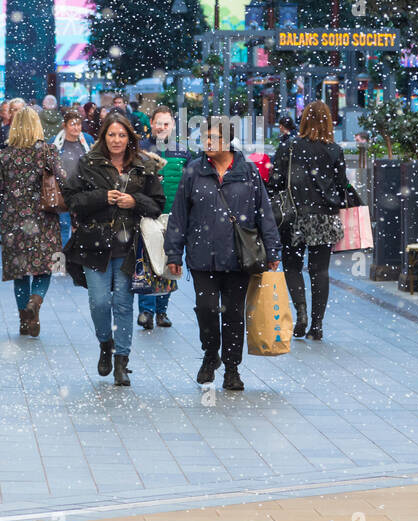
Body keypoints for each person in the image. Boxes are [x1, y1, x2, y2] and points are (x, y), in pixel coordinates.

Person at [165, 121, 282, 391]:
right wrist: (174, 252)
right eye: (205, 137)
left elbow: (263, 212)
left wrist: (272, 249)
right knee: (206, 309)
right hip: (202, 256)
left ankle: (232, 368)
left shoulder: (247, 171)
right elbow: (179, 215)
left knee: (233, 314)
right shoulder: (194, 170)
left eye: (214, 137)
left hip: (238, 257)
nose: (207, 142)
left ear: (228, 141)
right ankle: (210, 353)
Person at [64, 113, 165, 386]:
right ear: (103, 137)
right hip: (94, 245)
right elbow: (71, 199)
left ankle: (122, 360)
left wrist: (135, 201)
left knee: (123, 304)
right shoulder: (89, 164)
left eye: (122, 135)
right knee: (99, 302)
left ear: (129, 138)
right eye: (112, 135)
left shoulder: (144, 166)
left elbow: (157, 204)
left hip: (129, 247)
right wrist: (100, 197)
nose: (117, 140)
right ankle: (105, 344)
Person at [272, 101, 354, 341]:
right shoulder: (335, 150)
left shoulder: (289, 147)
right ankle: (317, 325)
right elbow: (341, 185)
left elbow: (276, 180)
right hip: (324, 217)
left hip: (294, 215)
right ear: (328, 121)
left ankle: (301, 312)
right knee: (320, 271)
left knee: (292, 265)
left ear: (304, 120)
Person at [0, 108, 65, 337]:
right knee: (46, 268)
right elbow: (62, 182)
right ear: (37, 126)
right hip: (43, 220)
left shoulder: (4, 156)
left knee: (20, 272)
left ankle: (23, 322)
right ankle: (35, 302)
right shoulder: (48, 151)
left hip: (13, 222)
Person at [137, 106, 191, 330]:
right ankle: (146, 311)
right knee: (147, 262)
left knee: (170, 261)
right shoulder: (141, 150)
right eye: (158, 123)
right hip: (148, 214)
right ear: (151, 123)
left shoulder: (182, 151)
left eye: (166, 124)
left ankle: (162, 311)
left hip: (174, 215)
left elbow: (189, 184)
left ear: (172, 126)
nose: (162, 127)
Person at [54, 109, 94, 246]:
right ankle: (64, 260)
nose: (76, 127)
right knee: (64, 226)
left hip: (82, 192)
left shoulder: (87, 141)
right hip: (62, 192)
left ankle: (78, 260)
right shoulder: (55, 142)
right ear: (64, 125)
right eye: (72, 124)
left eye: (78, 124)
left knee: (82, 227)